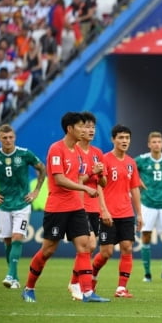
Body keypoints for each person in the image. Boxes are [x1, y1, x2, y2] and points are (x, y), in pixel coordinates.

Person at [22, 112, 109, 303]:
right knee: (48, 250)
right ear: (70, 129)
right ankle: (29, 288)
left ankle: (87, 293)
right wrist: (85, 188)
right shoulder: (56, 149)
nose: (84, 129)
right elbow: (60, 180)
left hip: (76, 207)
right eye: (80, 126)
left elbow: (79, 177)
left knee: (85, 246)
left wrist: (87, 189)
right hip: (57, 208)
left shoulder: (77, 152)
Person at [92, 124, 142, 298]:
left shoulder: (131, 162)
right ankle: (91, 276)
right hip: (108, 213)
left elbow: (134, 188)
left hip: (127, 213)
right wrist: (103, 210)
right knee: (106, 253)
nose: (124, 141)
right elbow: (98, 186)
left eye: (127, 138)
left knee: (127, 248)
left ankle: (121, 288)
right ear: (113, 139)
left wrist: (139, 214)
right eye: (120, 138)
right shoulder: (104, 160)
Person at [0, 124, 46, 289]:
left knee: (17, 237)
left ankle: (10, 275)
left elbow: (42, 168)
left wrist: (36, 191)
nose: (8, 140)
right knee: (8, 241)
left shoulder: (24, 154)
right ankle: (15, 277)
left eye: (11, 137)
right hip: (4, 205)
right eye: (4, 138)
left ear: (15, 137)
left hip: (22, 204)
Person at [68, 111, 110, 301]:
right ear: (77, 128)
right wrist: (91, 174)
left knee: (89, 249)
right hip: (78, 204)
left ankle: (74, 282)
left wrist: (100, 175)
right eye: (86, 126)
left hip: (93, 206)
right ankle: (81, 287)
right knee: (89, 244)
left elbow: (102, 184)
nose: (90, 130)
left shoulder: (97, 153)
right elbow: (74, 180)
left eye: (93, 127)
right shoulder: (72, 151)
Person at [135, 131, 162, 283]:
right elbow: (130, 172)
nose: (156, 144)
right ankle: (147, 273)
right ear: (149, 144)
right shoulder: (141, 160)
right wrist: (139, 183)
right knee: (145, 236)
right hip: (147, 203)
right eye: (153, 142)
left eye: (159, 142)